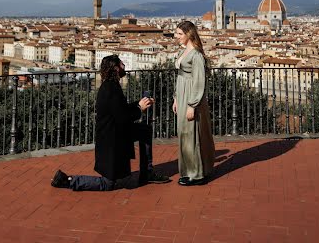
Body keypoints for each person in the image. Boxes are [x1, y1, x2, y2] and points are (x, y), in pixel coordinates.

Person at [51, 54, 170, 191]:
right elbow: (123, 117)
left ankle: (147, 173)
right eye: (121, 64)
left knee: (144, 130)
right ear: (115, 68)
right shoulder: (111, 89)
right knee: (108, 184)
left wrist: (139, 103)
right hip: (112, 141)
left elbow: (120, 109)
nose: (124, 66)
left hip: (115, 134)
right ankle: (68, 181)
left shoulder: (110, 86)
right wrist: (140, 109)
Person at [173, 20, 215, 186]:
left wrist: (192, 105)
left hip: (191, 98)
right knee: (184, 133)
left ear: (189, 34)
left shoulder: (196, 55)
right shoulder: (183, 52)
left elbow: (199, 82)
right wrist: (176, 98)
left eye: (179, 34)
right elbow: (181, 77)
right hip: (182, 96)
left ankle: (196, 174)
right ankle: (187, 170)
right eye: (176, 33)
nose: (176, 37)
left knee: (192, 134)